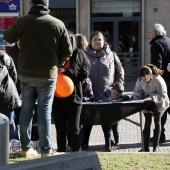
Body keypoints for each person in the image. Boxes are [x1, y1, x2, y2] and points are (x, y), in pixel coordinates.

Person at [4, 0, 72, 158]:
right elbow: (68, 51)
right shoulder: (57, 24)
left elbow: (8, 37)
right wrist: (58, 63)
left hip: (26, 74)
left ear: (31, 3)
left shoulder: (23, 22)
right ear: (47, 4)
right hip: (48, 75)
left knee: (25, 111)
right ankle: (46, 150)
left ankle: (26, 148)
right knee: (44, 113)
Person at [82, 31, 124, 152]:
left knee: (106, 119)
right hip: (89, 93)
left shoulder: (112, 55)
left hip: (106, 94)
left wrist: (117, 87)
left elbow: (120, 72)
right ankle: (85, 142)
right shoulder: (84, 55)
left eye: (99, 39)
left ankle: (108, 143)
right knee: (87, 119)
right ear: (90, 41)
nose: (97, 41)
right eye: (95, 39)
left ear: (104, 41)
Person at [52, 33, 90, 152]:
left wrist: (66, 71)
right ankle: (61, 153)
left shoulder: (78, 54)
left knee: (74, 129)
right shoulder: (54, 55)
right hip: (56, 97)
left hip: (73, 98)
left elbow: (84, 75)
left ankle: (76, 155)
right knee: (60, 129)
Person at [132, 64, 169, 152]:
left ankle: (156, 147)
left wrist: (151, 97)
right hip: (147, 103)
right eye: (141, 79)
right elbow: (137, 90)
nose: (143, 81)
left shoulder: (158, 80)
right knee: (147, 123)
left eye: (144, 79)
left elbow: (162, 95)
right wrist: (136, 96)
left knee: (157, 121)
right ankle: (145, 147)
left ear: (150, 75)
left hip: (159, 103)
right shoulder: (140, 79)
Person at [149, 23, 170, 143]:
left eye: (150, 33)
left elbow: (156, 65)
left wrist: (153, 81)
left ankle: (159, 135)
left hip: (165, 82)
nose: (149, 35)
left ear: (155, 33)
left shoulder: (156, 44)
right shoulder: (168, 41)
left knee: (162, 108)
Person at [98, 83, 130, 150]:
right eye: (114, 93)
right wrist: (107, 100)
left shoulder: (120, 96)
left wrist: (120, 99)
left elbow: (127, 98)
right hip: (106, 115)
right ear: (111, 90)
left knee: (115, 129)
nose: (115, 96)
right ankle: (108, 145)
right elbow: (100, 99)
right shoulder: (106, 93)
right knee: (108, 130)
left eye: (117, 95)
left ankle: (117, 143)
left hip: (116, 115)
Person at [0, 49, 20, 140]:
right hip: (8, 95)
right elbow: (14, 76)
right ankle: (11, 149)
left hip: (7, 96)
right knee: (9, 124)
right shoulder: (4, 55)